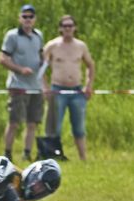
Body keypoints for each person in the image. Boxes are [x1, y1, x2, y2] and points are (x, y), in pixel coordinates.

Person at [42, 15, 96, 161]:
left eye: (70, 26)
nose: (67, 29)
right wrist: (45, 87)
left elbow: (90, 65)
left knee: (79, 127)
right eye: (65, 26)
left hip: (77, 91)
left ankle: (83, 158)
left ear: (75, 28)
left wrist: (88, 85)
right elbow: (40, 68)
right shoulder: (52, 46)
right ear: (60, 28)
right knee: (54, 127)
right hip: (57, 90)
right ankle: (54, 156)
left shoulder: (81, 46)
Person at [0, 4, 45, 163]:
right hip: (18, 86)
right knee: (14, 122)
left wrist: (44, 63)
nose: (27, 19)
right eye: (24, 16)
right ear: (19, 18)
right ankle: (7, 154)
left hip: (35, 86)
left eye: (30, 17)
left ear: (35, 19)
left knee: (32, 123)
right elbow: (3, 59)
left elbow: (41, 56)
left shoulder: (39, 35)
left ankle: (27, 153)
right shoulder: (12, 36)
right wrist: (19, 69)